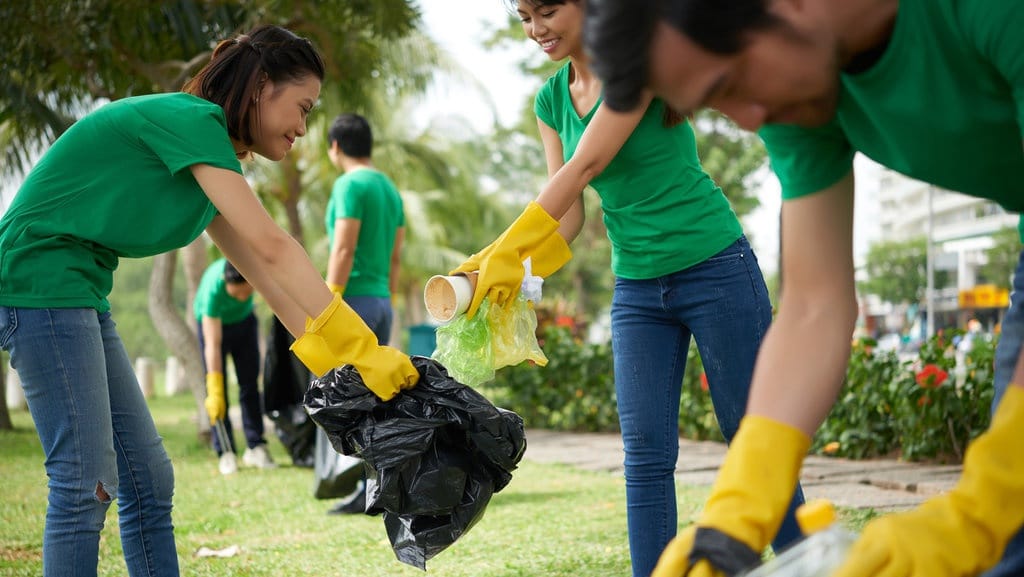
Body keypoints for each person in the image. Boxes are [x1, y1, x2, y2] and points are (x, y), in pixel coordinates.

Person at [582, 1, 1024, 576]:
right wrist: (740, 502)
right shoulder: (802, 92)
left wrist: (988, 502)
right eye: (714, 104)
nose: (747, 119)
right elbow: (816, 303)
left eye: (731, 82)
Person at [0, 24, 418, 577]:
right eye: (302, 107)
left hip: (79, 290)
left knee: (149, 480)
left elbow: (266, 281)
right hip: (38, 281)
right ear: (261, 86)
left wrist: (343, 367)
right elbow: (273, 247)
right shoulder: (193, 122)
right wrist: (363, 346)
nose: (302, 128)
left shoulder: (210, 156)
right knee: (84, 481)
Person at [451, 2, 805, 575]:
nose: (536, 30)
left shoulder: (634, 64)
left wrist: (505, 248)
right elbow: (567, 217)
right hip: (639, 291)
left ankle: (804, 563)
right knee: (644, 457)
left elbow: (586, 166)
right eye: (523, 17)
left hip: (714, 266)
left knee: (753, 438)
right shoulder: (549, 100)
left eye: (547, 10)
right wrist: (511, 272)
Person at [319, 112, 406, 514]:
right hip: (381, 301)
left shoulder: (350, 184)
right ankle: (375, 486)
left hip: (352, 302)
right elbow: (395, 255)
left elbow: (342, 248)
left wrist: (330, 301)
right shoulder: (389, 189)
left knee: (349, 401)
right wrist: (384, 296)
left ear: (336, 146)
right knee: (375, 397)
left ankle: (366, 490)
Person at [194, 258, 276, 475]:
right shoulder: (213, 290)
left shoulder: (252, 271)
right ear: (225, 282)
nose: (242, 297)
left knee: (249, 384)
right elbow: (212, 344)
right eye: (237, 293)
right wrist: (215, 386)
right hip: (213, 326)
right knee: (218, 395)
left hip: (244, 323)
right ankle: (226, 452)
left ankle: (255, 446)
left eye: (247, 293)